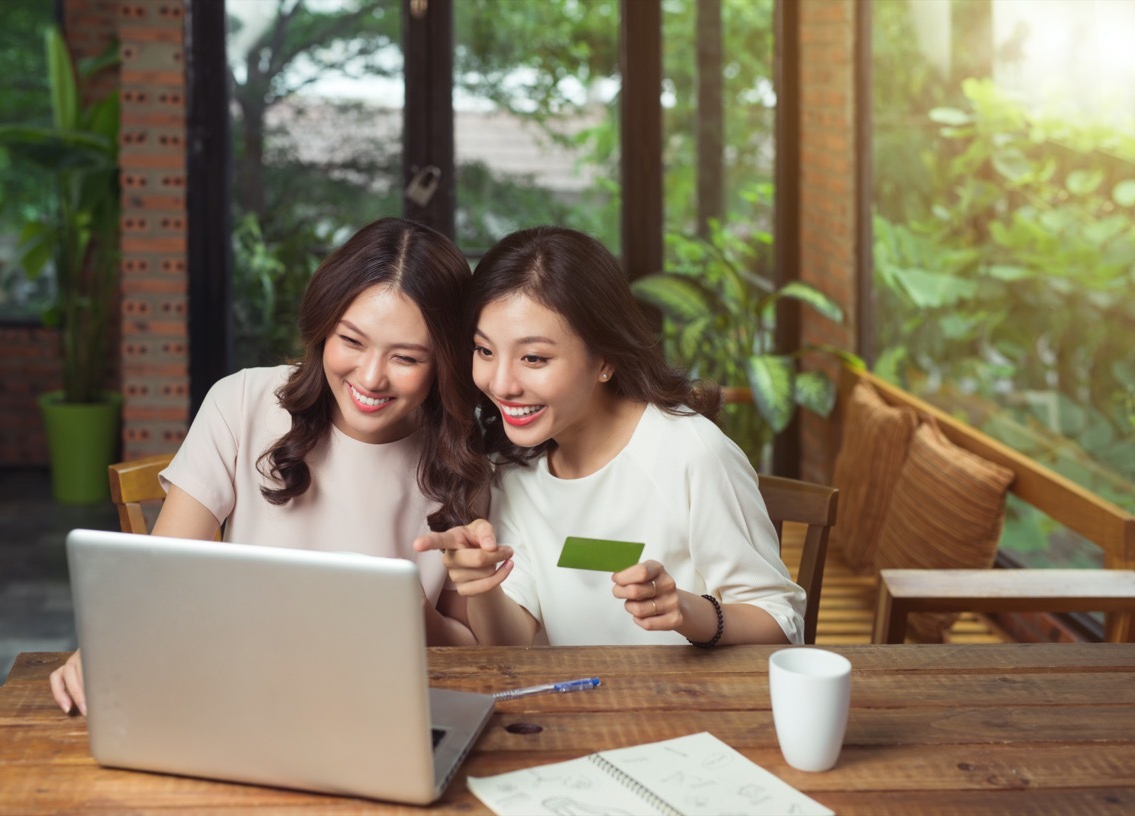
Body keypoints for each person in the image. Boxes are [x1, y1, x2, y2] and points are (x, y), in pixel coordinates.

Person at [51, 217, 491, 714]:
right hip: (236, 690)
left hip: (375, 703)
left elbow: (470, 650)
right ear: (323, 327)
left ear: (445, 362)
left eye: (406, 358)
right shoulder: (242, 401)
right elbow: (163, 577)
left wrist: (411, 611)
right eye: (351, 341)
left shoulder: (460, 458)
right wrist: (105, 647)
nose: (371, 377)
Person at [416, 225, 804, 647]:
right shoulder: (513, 468)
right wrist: (483, 586)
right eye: (485, 351)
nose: (501, 384)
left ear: (604, 359)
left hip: (684, 690)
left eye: (534, 358)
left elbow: (781, 622)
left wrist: (689, 611)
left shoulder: (692, 453)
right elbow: (510, 645)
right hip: (571, 690)